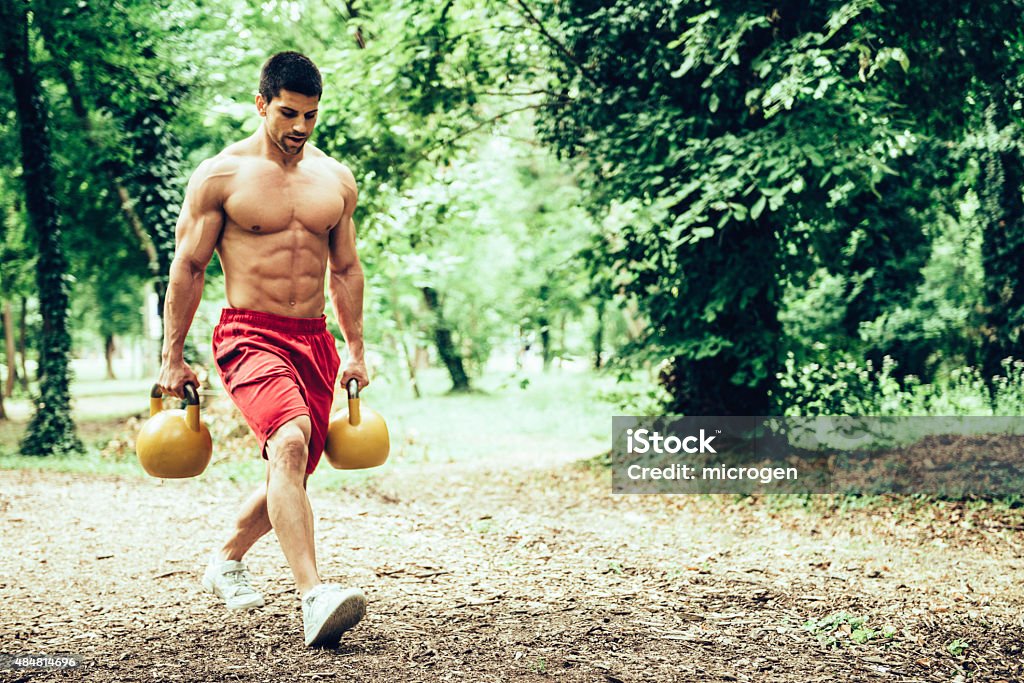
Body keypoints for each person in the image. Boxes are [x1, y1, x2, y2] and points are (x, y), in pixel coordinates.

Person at [156, 51, 368, 648]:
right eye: (288, 113)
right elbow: (189, 266)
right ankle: (313, 595)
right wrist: (171, 356)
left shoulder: (336, 180)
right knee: (293, 439)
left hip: (314, 339)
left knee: (293, 466)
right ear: (261, 103)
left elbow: (347, 269)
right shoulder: (220, 176)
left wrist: (354, 349)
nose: (300, 127)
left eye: (311, 116)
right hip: (248, 334)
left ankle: (226, 557)